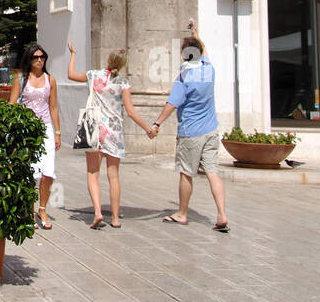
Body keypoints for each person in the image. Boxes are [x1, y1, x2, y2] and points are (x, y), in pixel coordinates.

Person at [67, 39, 154, 229]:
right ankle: (115, 218)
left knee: (92, 173)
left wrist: (73, 54)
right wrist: (148, 129)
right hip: (114, 131)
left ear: (108, 60)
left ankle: (98, 212)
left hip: (95, 128)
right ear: (122, 65)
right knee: (113, 175)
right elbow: (130, 111)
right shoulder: (123, 83)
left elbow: (71, 75)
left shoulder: (94, 75)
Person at [150, 30, 229, 232]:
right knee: (212, 172)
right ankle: (221, 213)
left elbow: (171, 104)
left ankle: (182, 213)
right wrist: (196, 35)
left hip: (191, 132)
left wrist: (157, 123)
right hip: (211, 130)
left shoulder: (185, 77)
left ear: (185, 55)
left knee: (186, 173)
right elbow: (205, 52)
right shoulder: (209, 69)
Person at [9, 43, 61, 229]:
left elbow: (53, 107)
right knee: (31, 171)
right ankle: (30, 210)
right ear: (29, 60)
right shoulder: (21, 79)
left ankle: (43, 208)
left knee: (48, 172)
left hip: (46, 127)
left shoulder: (50, 80)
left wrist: (57, 132)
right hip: (27, 129)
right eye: (36, 57)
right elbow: (12, 104)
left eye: (42, 57)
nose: (39, 60)